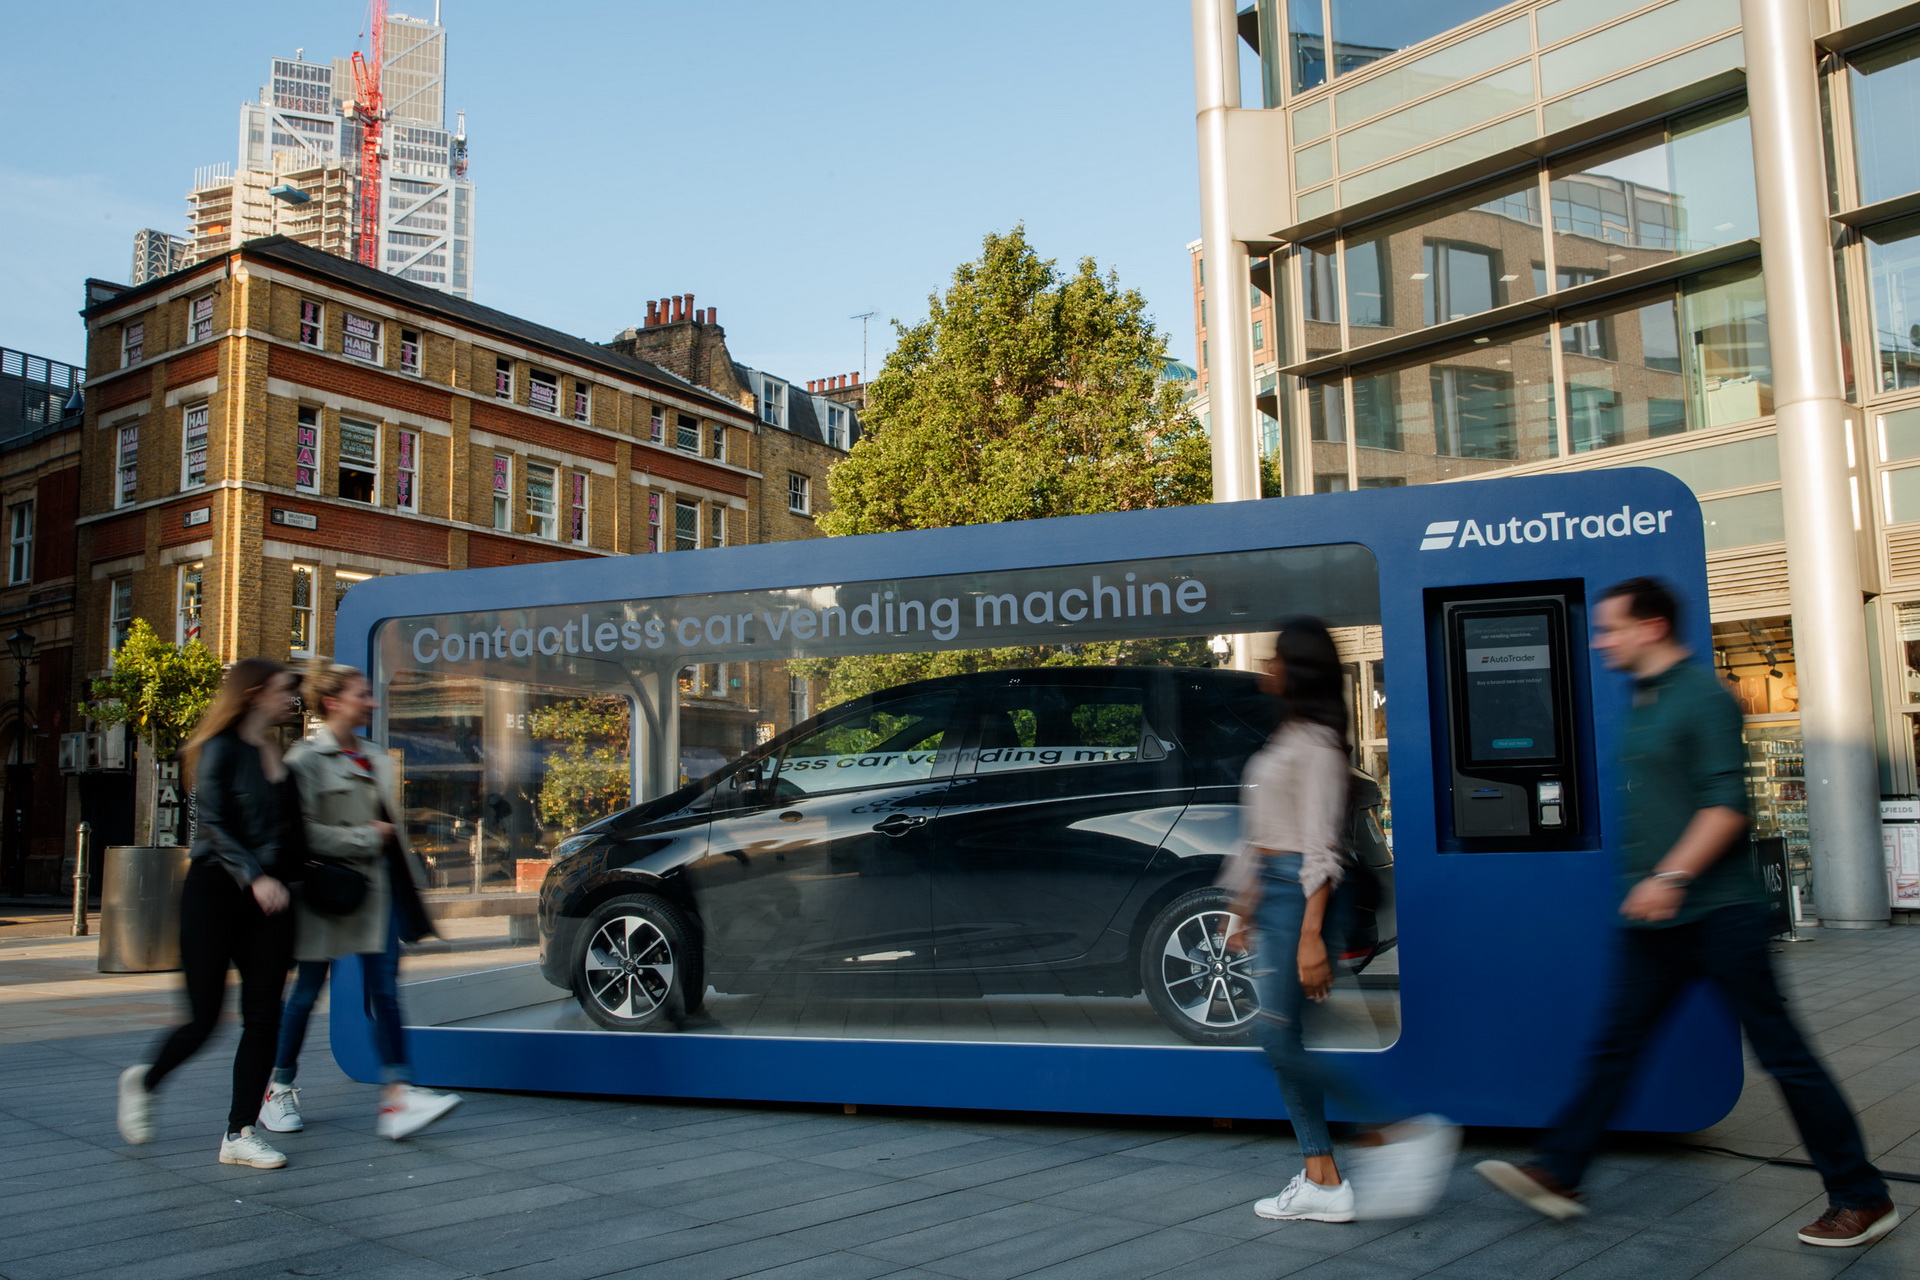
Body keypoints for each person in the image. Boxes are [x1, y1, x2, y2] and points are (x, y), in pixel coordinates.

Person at [1477, 577, 1897, 1249]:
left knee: (1784, 1057)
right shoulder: (1646, 698)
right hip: (1657, 922)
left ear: (1651, 628)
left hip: (1720, 914)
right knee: (1615, 1047)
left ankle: (1862, 1196)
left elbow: (1726, 806)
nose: (1600, 640)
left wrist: (1669, 877)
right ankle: (1561, 1170)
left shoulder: (1702, 697)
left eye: (1611, 628)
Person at [1226, 619, 1458, 1223]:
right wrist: (1242, 908)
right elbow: (1260, 835)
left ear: (1298, 669)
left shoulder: (1319, 746)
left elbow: (1322, 849)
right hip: (1274, 895)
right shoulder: (1289, 734)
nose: (1268, 667)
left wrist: (1309, 936)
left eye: (1278, 658)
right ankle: (1322, 1179)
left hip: (1298, 900)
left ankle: (1394, 1131)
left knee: (1276, 1039)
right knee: (1281, 1040)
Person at [260, 663, 460, 1141]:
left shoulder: (372, 755)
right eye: (360, 695)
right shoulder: (305, 759)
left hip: (376, 893)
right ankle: (278, 1088)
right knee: (307, 991)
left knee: (385, 990)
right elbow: (301, 833)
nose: (370, 702)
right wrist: (365, 837)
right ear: (333, 702)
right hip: (327, 893)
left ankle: (398, 1095)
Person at [115, 659, 301, 1170]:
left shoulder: (279, 754)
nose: (292, 698)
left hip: (271, 900)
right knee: (204, 1019)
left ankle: (239, 1132)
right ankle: (144, 1081)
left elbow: (290, 834)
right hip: (217, 891)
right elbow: (214, 826)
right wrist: (255, 876)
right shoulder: (220, 748)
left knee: (264, 1017)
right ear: (256, 693)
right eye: (285, 689)